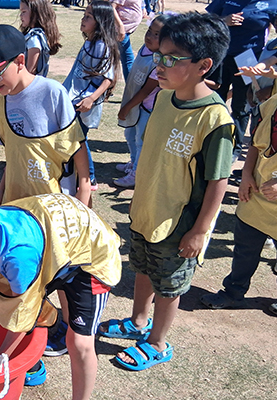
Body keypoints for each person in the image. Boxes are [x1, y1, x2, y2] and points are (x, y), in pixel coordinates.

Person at [98, 12, 234, 371]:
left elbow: (218, 180)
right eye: (159, 54)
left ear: (204, 65)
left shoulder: (214, 120)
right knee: (142, 268)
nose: (159, 64)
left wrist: (200, 230)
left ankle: (157, 342)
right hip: (146, 210)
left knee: (168, 286)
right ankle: (139, 321)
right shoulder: (162, 95)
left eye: (172, 59)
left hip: (179, 223)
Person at [0, 193, 122, 400]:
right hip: (56, 241)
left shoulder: (20, 262)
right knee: (20, 289)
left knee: (79, 343)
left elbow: (24, 313)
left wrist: (0, 357)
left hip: (91, 255)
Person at [201, 41, 277, 319]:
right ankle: (233, 291)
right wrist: (245, 177)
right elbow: (256, 146)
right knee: (245, 248)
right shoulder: (274, 104)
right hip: (255, 193)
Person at [0, 25, 91, 209]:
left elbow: (77, 145)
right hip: (16, 203)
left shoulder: (53, 93)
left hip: (55, 204)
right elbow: (14, 157)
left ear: (20, 61)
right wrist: (1, 193)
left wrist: (84, 190)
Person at [206, 0, 277, 162]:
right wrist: (224, 21)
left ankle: (235, 147)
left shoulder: (274, 3)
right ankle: (210, 138)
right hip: (221, 55)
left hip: (248, 59)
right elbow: (209, 18)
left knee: (241, 105)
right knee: (215, 99)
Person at [63, 1, 120, 191]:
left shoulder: (102, 46)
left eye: (88, 17)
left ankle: (90, 178)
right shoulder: (90, 41)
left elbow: (108, 79)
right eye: (84, 15)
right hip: (76, 97)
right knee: (75, 137)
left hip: (84, 101)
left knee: (79, 139)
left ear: (100, 22)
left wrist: (90, 99)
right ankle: (83, 174)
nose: (83, 19)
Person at [114, 13, 170, 188]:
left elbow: (147, 90)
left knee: (141, 140)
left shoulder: (160, 61)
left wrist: (127, 107)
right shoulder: (146, 50)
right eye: (149, 31)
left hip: (146, 108)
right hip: (135, 105)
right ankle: (133, 163)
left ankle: (137, 173)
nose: (149, 36)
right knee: (129, 135)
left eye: (156, 34)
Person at [244, 0, 277, 134]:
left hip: (274, 100)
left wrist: (270, 90)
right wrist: (250, 90)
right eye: (276, 18)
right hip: (258, 98)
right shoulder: (271, 42)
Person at [19, 0, 62, 77]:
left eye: (24, 11)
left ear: (35, 14)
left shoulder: (34, 40)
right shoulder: (37, 35)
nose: (20, 15)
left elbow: (30, 72)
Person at [109, 0, 142, 83]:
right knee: (128, 59)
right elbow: (112, 7)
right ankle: (130, 87)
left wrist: (142, 9)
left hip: (125, 30)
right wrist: (120, 26)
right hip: (119, 30)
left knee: (114, 56)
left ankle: (108, 84)